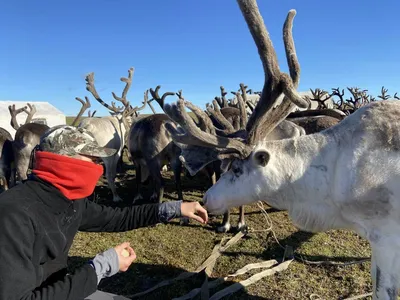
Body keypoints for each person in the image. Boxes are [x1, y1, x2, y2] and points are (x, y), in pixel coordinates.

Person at [0, 125, 208, 300]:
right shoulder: (13, 214)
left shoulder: (70, 200)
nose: (99, 166)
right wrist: (100, 267)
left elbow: (117, 218)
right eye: (93, 158)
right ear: (64, 162)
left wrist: (174, 208)